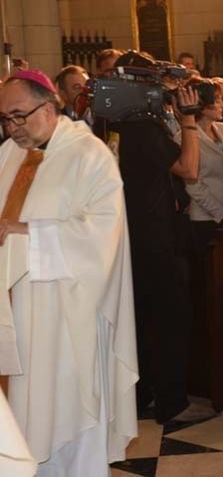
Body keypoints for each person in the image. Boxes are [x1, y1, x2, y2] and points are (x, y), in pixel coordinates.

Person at [0, 69, 138, 475]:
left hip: (66, 316)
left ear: (49, 106)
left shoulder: (88, 155)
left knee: (68, 416)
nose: (12, 127)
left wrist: (31, 233)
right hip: (15, 313)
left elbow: (102, 233)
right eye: (5, 118)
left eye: (18, 115)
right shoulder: (7, 155)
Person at [109, 51, 211, 424]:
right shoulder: (142, 128)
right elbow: (189, 168)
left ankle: (144, 396)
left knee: (142, 319)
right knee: (169, 319)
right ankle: (173, 402)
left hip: (133, 234)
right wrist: (188, 119)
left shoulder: (118, 124)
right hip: (156, 237)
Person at [181, 78, 223, 251]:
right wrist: (221, 214)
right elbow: (192, 185)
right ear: (202, 105)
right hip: (205, 218)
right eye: (217, 100)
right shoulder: (185, 136)